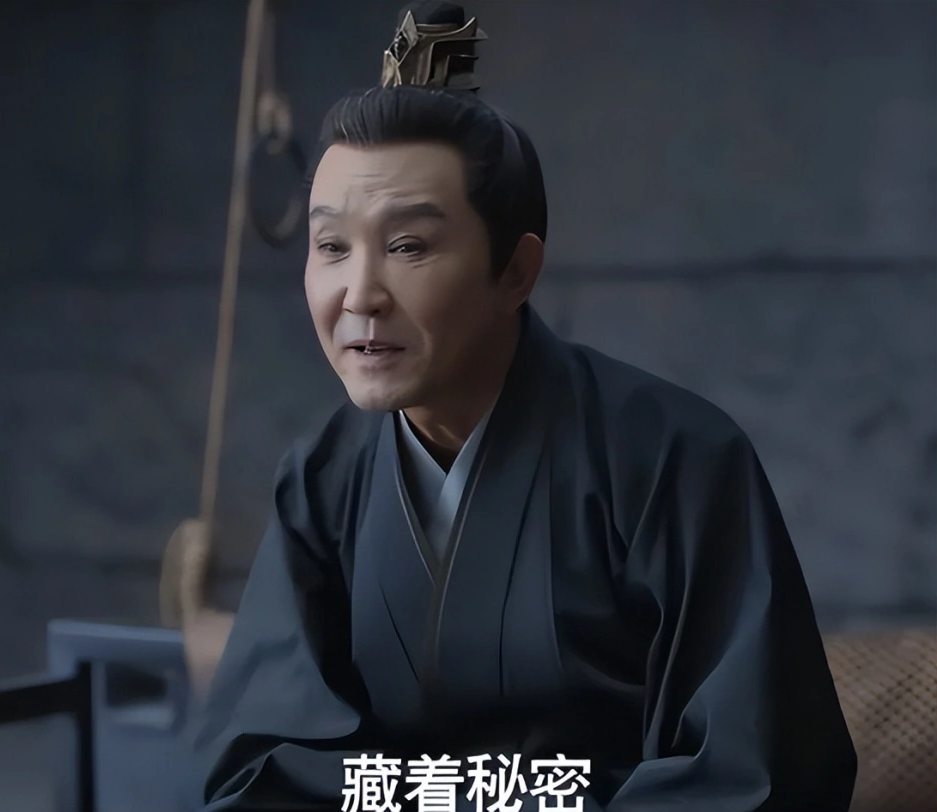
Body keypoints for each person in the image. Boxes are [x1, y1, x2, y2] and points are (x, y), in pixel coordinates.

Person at [190, 3, 857, 810]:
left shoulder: (673, 460)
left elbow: (756, 773)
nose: (359, 293)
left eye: (408, 246)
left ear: (515, 271)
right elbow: (253, 767)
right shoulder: (323, 482)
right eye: (332, 246)